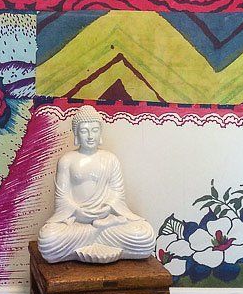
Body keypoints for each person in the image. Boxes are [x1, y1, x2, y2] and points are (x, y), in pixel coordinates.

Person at [38, 105, 155, 264]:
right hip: (77, 224)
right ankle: (97, 233)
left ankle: (99, 231)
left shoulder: (110, 159)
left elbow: (118, 195)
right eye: (84, 131)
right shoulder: (67, 160)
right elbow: (61, 199)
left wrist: (107, 209)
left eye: (94, 130)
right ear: (76, 133)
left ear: (100, 132)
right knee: (48, 239)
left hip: (106, 220)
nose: (90, 136)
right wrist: (78, 212)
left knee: (144, 234)